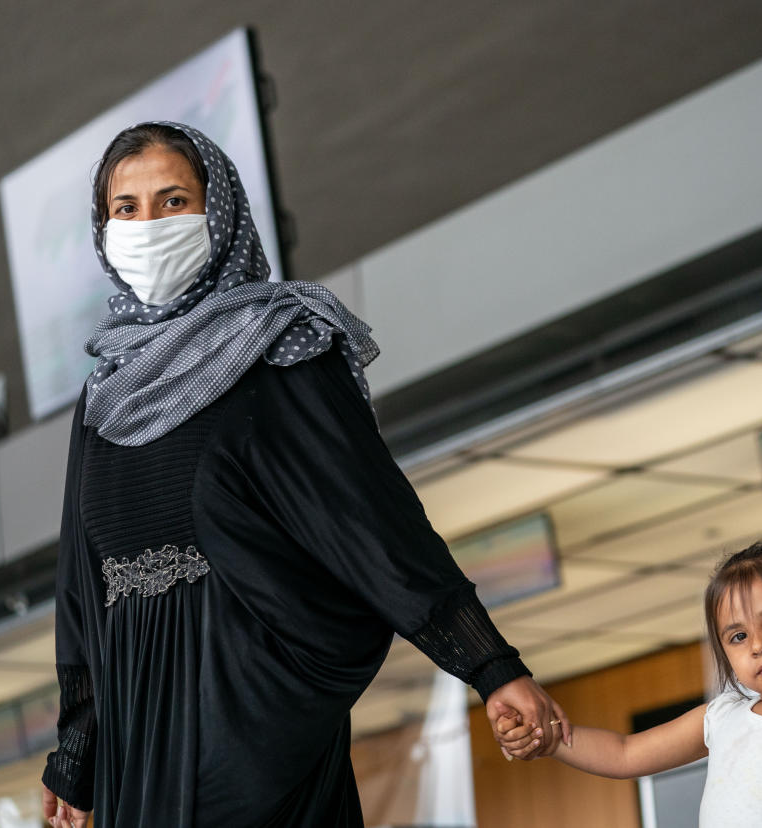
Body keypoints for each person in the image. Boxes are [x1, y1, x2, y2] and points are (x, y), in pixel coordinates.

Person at [38, 121, 568, 828]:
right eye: (125, 210)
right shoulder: (104, 397)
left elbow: (372, 521)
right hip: (142, 747)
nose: (147, 225)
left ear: (218, 213)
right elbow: (83, 588)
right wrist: (77, 756)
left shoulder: (279, 350)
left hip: (251, 727)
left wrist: (490, 665)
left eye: (172, 201)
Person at [495, 541, 762, 826]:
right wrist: (549, 740)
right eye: (738, 636)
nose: (758, 645)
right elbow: (625, 753)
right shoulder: (723, 715)